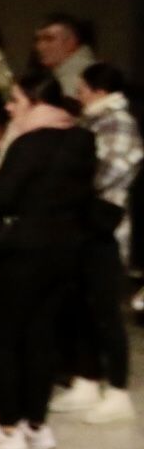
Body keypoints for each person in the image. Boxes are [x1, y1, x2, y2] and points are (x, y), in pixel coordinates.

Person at [0, 69, 98, 449]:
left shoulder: (28, 142)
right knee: (42, 337)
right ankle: (36, 424)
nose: (9, 107)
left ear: (36, 101)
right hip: (65, 251)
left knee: (6, 337)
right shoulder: (82, 139)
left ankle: (8, 427)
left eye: (15, 99)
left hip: (21, 250)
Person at [52, 63, 142, 423]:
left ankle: (117, 391)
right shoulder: (91, 122)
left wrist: (71, 180)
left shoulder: (119, 122)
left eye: (83, 88)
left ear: (100, 90)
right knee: (81, 308)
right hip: (81, 226)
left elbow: (111, 171)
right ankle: (86, 380)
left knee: (106, 313)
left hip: (105, 230)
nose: (79, 94)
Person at [35, 13, 97, 95]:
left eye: (49, 39)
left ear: (71, 42)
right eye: (38, 40)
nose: (40, 47)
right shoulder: (61, 77)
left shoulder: (80, 79)